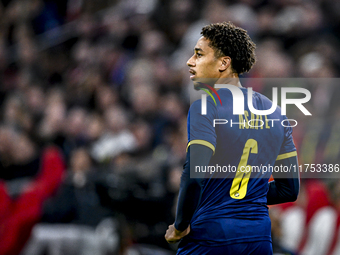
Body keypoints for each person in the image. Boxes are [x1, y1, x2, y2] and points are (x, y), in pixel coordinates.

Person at [164, 22, 300, 255]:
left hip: (210, 235)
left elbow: (194, 176)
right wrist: (247, 195)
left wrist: (179, 226)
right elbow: (290, 190)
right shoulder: (277, 113)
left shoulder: (206, 107)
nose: (189, 61)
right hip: (258, 239)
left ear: (224, 63)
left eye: (198, 54)